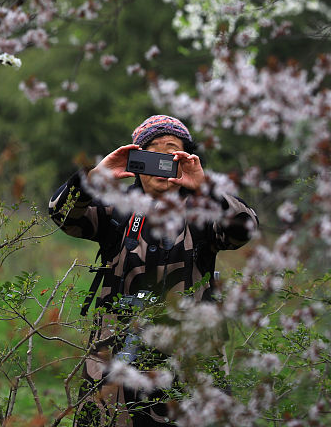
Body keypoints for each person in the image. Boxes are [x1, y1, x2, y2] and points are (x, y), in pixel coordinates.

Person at [48, 115, 258, 427]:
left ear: (187, 161)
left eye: (172, 153)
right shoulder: (115, 209)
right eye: (151, 153)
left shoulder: (205, 213)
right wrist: (96, 177)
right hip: (116, 353)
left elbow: (245, 229)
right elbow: (63, 214)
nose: (162, 162)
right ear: (137, 161)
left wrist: (206, 188)